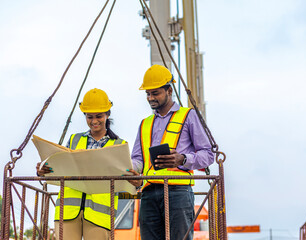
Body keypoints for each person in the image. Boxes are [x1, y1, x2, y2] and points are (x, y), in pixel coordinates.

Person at [129, 65, 215, 240]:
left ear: (169, 90)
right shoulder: (145, 123)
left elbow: (208, 154)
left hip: (178, 191)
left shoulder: (188, 116)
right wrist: (130, 170)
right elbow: (138, 158)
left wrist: (182, 159)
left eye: (155, 93)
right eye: (147, 94)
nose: (150, 98)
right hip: (148, 191)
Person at [36, 88, 125, 240]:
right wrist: (43, 170)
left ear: (108, 114)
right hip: (68, 212)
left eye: (99, 116)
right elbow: (60, 167)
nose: (94, 121)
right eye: (89, 117)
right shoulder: (73, 140)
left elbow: (124, 180)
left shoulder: (119, 145)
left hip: (100, 217)